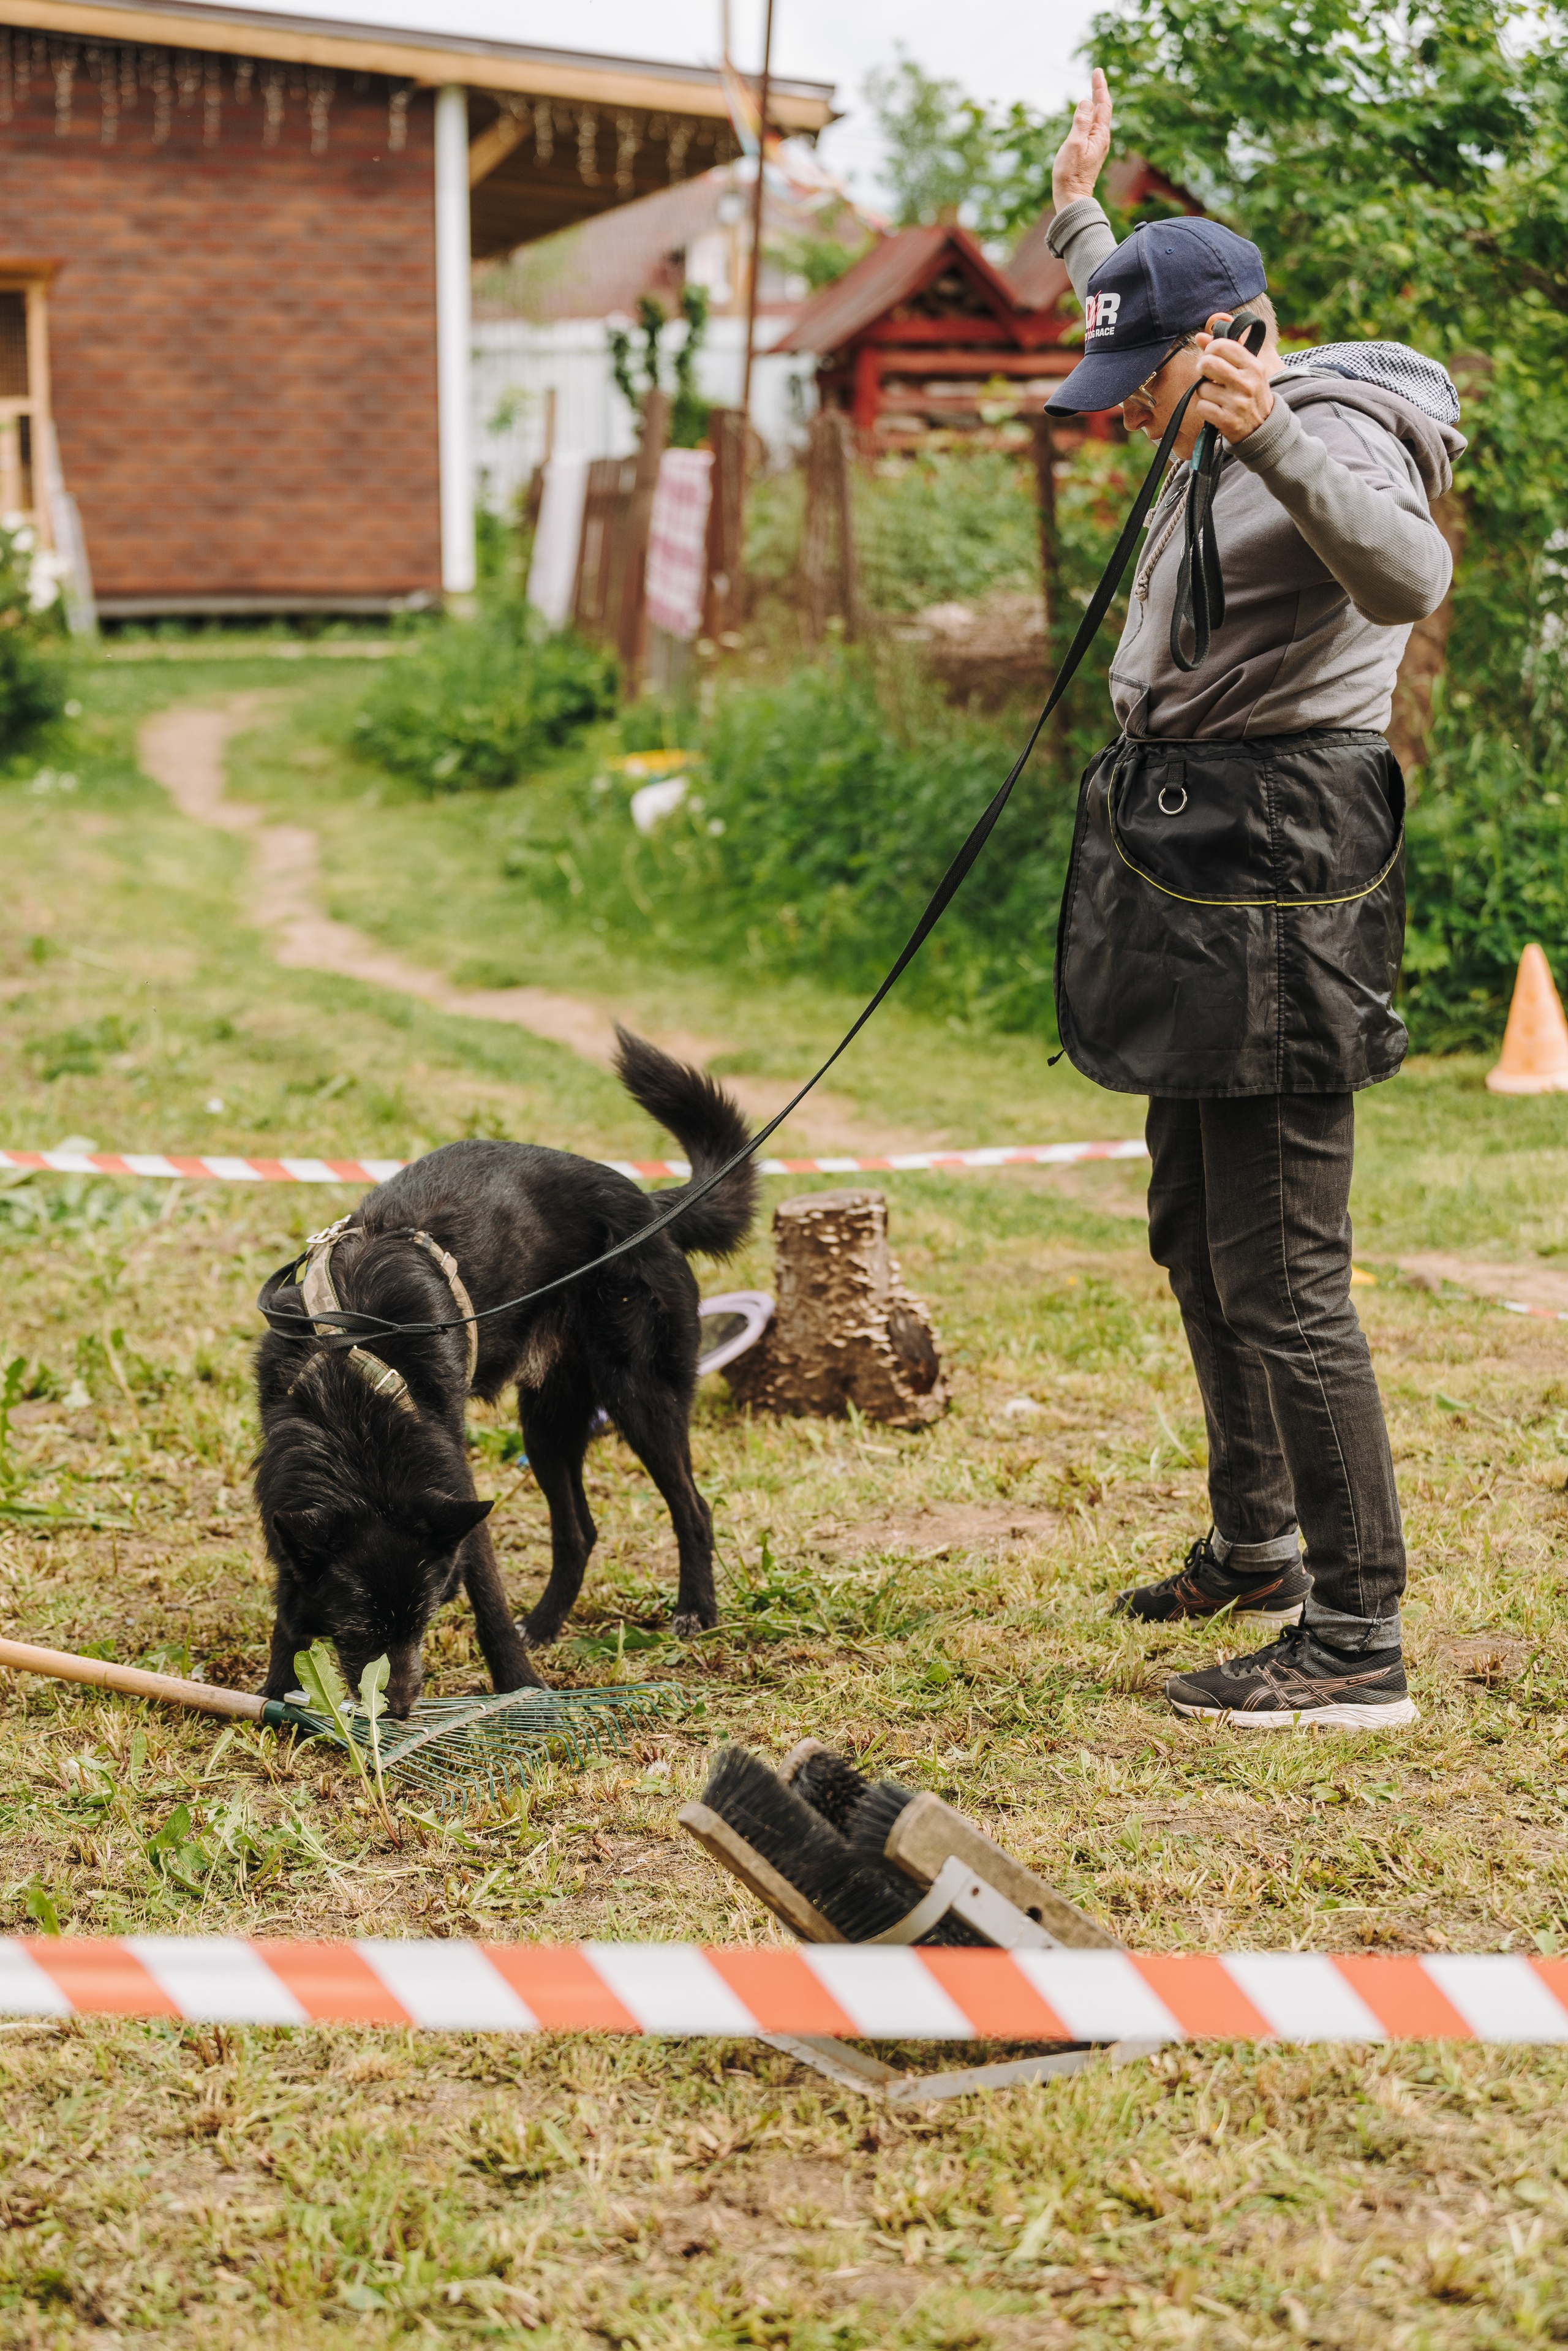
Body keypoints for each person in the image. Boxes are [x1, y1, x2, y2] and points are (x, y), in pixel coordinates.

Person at [1044, 72, 1464, 1730]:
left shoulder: (1336, 425)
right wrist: (1078, 210)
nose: (1139, 410)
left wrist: (1268, 429)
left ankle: (1356, 1640)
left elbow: (1410, 578)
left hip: (1288, 866)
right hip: (1192, 854)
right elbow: (1125, 284)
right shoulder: (1191, 371)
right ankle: (1260, 1540)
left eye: (1156, 382)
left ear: (1249, 339)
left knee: (1286, 1267)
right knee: (1192, 1233)